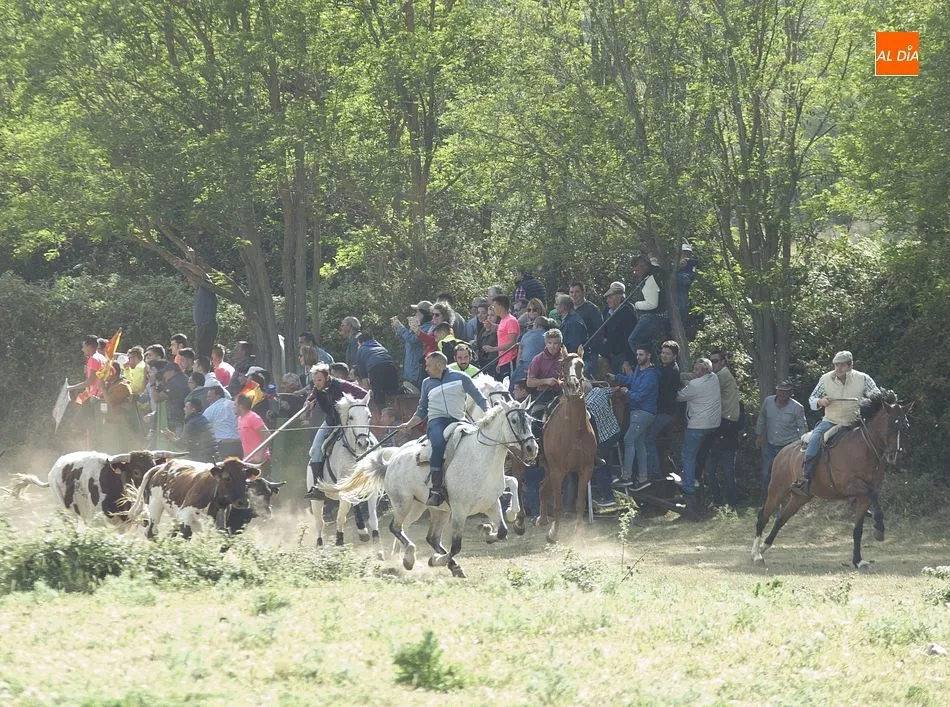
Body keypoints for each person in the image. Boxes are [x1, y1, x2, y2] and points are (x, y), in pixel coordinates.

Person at [399, 352, 488, 506]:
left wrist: (489, 414)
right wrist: (409, 424)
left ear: (439, 365)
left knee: (476, 443)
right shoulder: (426, 383)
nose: (426, 368)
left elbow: (479, 398)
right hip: (437, 422)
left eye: (428, 365)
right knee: (438, 444)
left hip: (459, 420)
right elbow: (422, 410)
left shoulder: (461, 378)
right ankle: (436, 489)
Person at [791, 350, 880, 496]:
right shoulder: (825, 379)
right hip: (831, 421)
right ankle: (805, 478)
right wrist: (820, 401)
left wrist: (868, 402)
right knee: (815, 439)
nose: (838, 368)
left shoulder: (864, 378)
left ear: (850, 365)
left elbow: (877, 397)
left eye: (842, 365)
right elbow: (812, 399)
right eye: (836, 365)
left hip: (855, 422)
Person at [303, 364, 369, 499]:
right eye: (314, 380)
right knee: (315, 449)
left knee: (371, 444)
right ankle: (317, 487)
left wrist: (353, 407)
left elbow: (363, 394)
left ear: (327, 377)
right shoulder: (316, 389)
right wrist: (308, 404)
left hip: (349, 423)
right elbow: (309, 398)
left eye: (319, 380)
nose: (316, 383)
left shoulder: (342, 385)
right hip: (330, 422)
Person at [676, 358, 721, 517]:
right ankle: (695, 478)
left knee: (688, 455)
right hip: (713, 425)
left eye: (697, 370)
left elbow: (679, 397)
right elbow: (693, 377)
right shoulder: (714, 378)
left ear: (705, 371)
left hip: (698, 425)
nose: (694, 372)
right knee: (700, 455)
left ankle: (688, 486)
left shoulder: (694, 386)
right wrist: (685, 377)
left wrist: (680, 382)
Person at [610, 348, 659, 490]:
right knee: (639, 443)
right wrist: (616, 377)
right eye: (637, 354)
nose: (638, 357)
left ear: (649, 355)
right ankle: (643, 478)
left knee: (628, 440)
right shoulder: (638, 369)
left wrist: (627, 392)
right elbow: (631, 380)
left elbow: (640, 396)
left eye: (641, 354)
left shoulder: (651, 375)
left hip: (644, 412)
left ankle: (626, 477)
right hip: (637, 412)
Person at [703, 349, 743, 508]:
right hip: (725, 426)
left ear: (722, 362)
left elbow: (702, 386)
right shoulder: (720, 376)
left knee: (720, 471)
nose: (712, 364)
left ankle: (726, 503)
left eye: (715, 361)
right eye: (710, 361)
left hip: (725, 427)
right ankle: (725, 503)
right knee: (720, 470)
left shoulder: (721, 376)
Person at [756, 379, 807, 498]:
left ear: (790, 393)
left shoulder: (797, 407)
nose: (782, 395)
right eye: (780, 391)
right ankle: (766, 500)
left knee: (788, 475)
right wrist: (759, 435)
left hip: (788, 447)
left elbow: (802, 427)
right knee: (766, 474)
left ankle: (787, 501)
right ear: (776, 391)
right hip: (770, 444)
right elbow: (762, 418)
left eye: (785, 392)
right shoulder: (768, 402)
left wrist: (802, 444)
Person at [644, 340, 680, 481]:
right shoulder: (664, 368)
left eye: (668, 354)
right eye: (663, 353)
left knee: (648, 439)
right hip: (663, 411)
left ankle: (653, 473)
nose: (664, 356)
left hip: (665, 413)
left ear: (674, 356)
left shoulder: (671, 371)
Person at [627, 255, 666, 354]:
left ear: (643, 266)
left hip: (651, 317)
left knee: (633, 340)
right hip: (656, 317)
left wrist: (636, 305)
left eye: (637, 270)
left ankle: (646, 363)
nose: (635, 273)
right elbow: (654, 262)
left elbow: (652, 304)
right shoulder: (656, 271)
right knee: (646, 344)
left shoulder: (650, 279)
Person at [600, 282, 637, 374]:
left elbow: (630, 337)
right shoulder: (606, 310)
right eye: (607, 297)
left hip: (623, 356)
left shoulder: (628, 311)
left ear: (620, 297)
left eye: (610, 297)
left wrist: (628, 360)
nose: (608, 300)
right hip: (610, 355)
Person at [355, 332, 399, 408]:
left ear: (360, 342)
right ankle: (395, 413)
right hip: (391, 367)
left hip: (376, 369)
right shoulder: (381, 347)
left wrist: (368, 392)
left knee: (379, 395)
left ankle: (381, 414)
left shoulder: (361, 350)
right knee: (393, 393)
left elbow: (364, 377)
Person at [570, 282, 604, 374]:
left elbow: (600, 332)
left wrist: (589, 348)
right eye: (571, 292)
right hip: (572, 354)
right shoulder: (569, 309)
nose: (574, 295)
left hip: (589, 355)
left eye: (577, 292)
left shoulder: (592, 310)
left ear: (583, 293)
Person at [235, 394, 271, 472]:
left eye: (235, 405)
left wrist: (259, 455)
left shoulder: (253, 417)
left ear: (240, 406)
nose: (233, 407)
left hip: (259, 461)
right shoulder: (240, 419)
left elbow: (267, 435)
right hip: (248, 460)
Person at [511, 312, 549, 386]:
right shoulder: (547, 337)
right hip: (541, 370)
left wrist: (518, 368)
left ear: (536, 325)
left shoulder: (527, 335)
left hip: (525, 365)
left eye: (533, 325)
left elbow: (520, 354)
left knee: (513, 387)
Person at [204, 385, 242, 459]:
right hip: (238, 442)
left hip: (223, 444)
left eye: (210, 396)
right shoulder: (234, 405)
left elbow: (204, 426)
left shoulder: (210, 410)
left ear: (218, 395)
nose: (207, 399)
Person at [69, 334, 109, 401]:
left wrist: (72, 387)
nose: (82, 349)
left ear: (89, 347)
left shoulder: (93, 359)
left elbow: (90, 382)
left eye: (84, 347)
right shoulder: (102, 357)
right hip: (103, 394)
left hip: (95, 396)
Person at [492, 295, 521, 382]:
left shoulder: (511, 321)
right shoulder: (502, 320)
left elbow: (513, 344)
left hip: (510, 361)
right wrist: (499, 362)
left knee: (509, 386)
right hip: (503, 361)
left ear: (501, 306)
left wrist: (493, 349)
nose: (493, 308)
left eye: (495, 306)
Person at [191, 277, 218, 358]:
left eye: (190, 280)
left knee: (204, 354)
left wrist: (185, 265)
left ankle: (204, 369)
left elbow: (202, 274)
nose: (190, 284)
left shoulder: (205, 287)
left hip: (207, 324)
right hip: (201, 326)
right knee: (200, 352)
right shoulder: (198, 291)